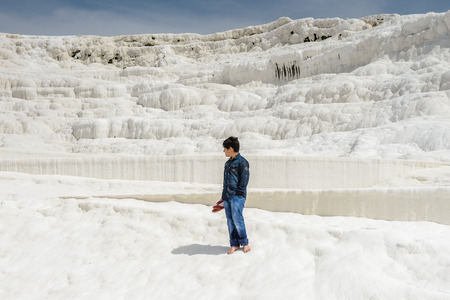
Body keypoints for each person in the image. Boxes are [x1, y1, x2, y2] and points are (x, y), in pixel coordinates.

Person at [218, 136, 251, 254]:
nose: (224, 151)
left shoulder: (242, 162)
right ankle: (234, 244)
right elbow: (225, 182)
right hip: (227, 196)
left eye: (225, 149)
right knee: (230, 220)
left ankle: (245, 243)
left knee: (237, 219)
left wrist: (237, 195)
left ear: (230, 148)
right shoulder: (227, 164)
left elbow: (244, 181)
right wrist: (223, 197)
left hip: (237, 196)